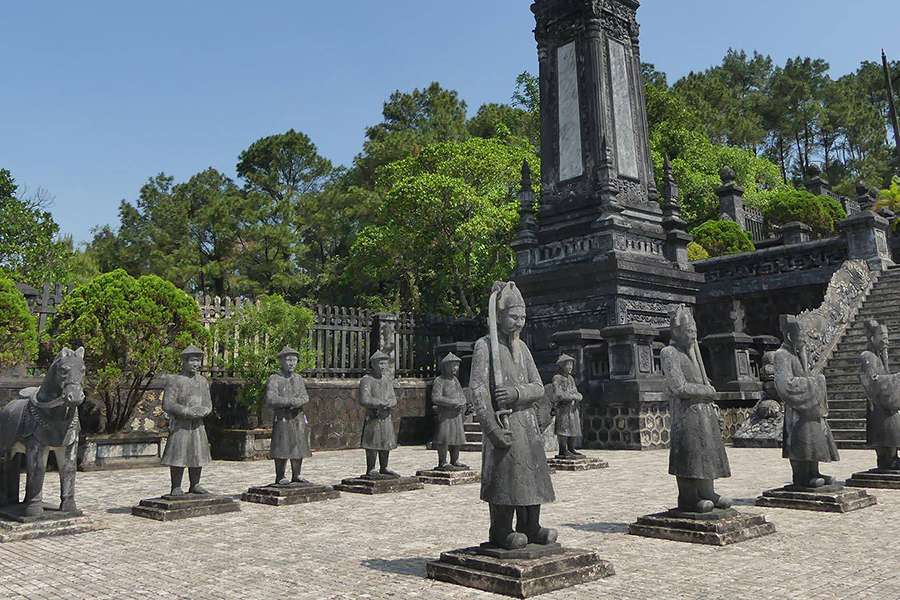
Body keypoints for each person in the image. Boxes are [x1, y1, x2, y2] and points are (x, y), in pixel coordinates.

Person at [471, 281, 556, 551]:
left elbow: (538, 387)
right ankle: (501, 529)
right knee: (505, 480)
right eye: (513, 317)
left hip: (527, 425)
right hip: (502, 425)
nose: (519, 322)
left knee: (532, 478)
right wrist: (492, 429)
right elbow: (478, 390)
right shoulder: (485, 347)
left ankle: (531, 525)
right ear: (500, 315)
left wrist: (516, 393)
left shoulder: (524, 350)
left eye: (522, 317)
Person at [661, 306, 732, 513]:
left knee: (707, 452)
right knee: (689, 453)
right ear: (677, 331)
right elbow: (679, 387)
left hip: (704, 412)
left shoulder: (693, 352)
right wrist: (706, 391)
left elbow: (700, 381)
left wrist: (706, 390)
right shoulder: (669, 353)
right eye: (688, 333)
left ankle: (708, 490)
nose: (692, 337)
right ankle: (689, 497)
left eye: (694, 333)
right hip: (685, 414)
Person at [774, 314, 839, 488]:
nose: (804, 341)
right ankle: (802, 476)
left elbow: (805, 377)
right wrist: (815, 384)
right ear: (790, 337)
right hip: (796, 410)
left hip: (810, 407)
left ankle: (814, 471)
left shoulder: (797, 354)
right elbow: (784, 385)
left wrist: (813, 381)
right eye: (801, 337)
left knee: (814, 438)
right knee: (802, 440)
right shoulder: (782, 355)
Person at [161, 345, 212, 496]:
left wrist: (203, 411)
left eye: (198, 361)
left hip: (197, 424)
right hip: (181, 425)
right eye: (192, 361)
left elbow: (208, 404)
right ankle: (176, 486)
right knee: (179, 454)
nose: (196, 364)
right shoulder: (175, 381)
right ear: (184, 362)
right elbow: (168, 404)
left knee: (198, 454)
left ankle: (195, 484)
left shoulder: (203, 382)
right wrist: (185, 411)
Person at [266, 346, 312, 485]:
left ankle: (296, 474)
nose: (292, 363)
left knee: (298, 446)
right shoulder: (274, 379)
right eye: (288, 360)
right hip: (282, 418)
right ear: (281, 361)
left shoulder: (298, 379)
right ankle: (280, 475)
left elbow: (305, 396)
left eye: (294, 360)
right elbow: (271, 398)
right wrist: (289, 402)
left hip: (297, 417)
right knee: (282, 446)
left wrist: (299, 401)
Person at [859, 319, 900, 470]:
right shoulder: (867, 357)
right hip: (877, 404)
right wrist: (895, 379)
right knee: (885, 431)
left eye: (887, 336)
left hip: (888, 402)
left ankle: (893, 456)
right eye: (882, 335)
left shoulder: (880, 359)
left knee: (893, 428)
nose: (886, 339)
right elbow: (871, 381)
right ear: (872, 338)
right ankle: (886, 459)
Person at [358, 351, 399, 479]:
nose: (383, 366)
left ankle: (384, 467)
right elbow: (364, 399)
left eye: (385, 363)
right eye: (380, 363)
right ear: (373, 364)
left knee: (386, 442)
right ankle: (371, 468)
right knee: (372, 443)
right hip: (373, 416)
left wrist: (389, 403)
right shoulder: (367, 380)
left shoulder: (387, 380)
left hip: (386, 416)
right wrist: (379, 403)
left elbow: (393, 398)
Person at [431, 353, 469, 471]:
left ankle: (455, 460)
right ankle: (443, 461)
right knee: (444, 438)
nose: (455, 369)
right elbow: (436, 397)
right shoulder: (439, 381)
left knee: (457, 438)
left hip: (456, 415)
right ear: (445, 367)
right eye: (452, 366)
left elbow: (462, 395)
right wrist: (451, 402)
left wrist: (462, 402)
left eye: (457, 366)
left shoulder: (455, 381)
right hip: (445, 415)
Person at [552, 354, 584, 459]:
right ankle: (563, 449)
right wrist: (571, 397)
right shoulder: (557, 378)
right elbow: (558, 393)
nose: (570, 367)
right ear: (562, 365)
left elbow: (576, 392)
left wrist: (578, 396)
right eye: (568, 364)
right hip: (563, 409)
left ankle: (571, 448)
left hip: (572, 409)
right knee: (563, 428)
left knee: (573, 427)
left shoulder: (571, 379)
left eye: (571, 364)